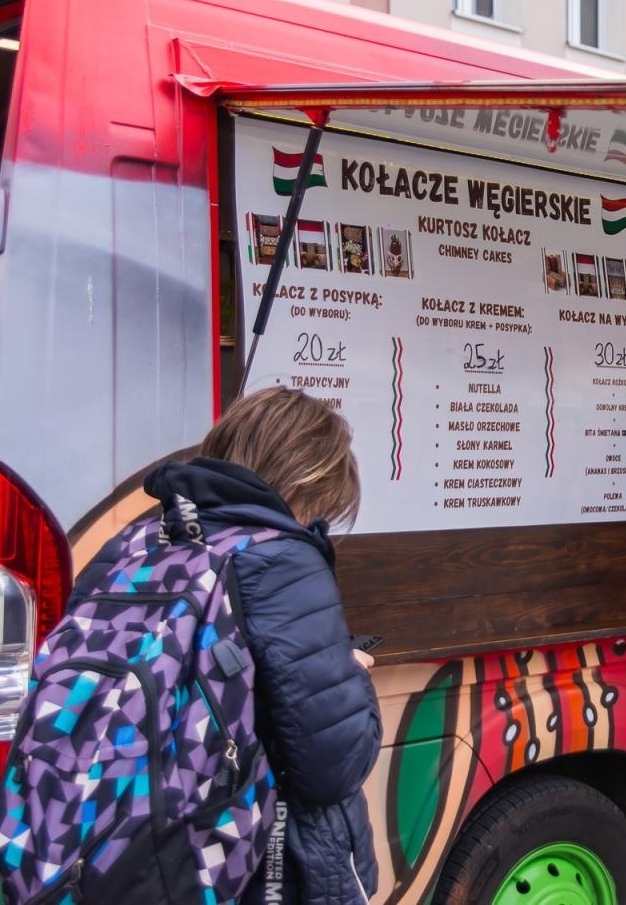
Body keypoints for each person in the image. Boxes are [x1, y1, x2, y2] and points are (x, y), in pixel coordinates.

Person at [70, 387, 381, 905]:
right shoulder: (280, 560)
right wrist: (352, 676)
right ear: (306, 483)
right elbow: (334, 766)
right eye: (323, 505)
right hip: (254, 870)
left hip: (113, 855)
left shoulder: (129, 545)